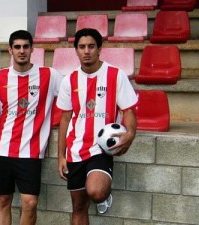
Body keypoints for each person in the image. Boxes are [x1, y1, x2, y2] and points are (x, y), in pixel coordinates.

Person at [0, 30, 62, 225]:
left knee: (30, 202)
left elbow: (69, 99)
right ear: (10, 50)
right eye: (17, 47)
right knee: (2, 200)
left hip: (31, 151)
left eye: (26, 46)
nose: (22, 51)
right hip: (2, 148)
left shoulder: (49, 75)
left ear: (32, 49)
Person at [57, 28, 138, 224]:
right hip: (76, 150)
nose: (87, 51)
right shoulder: (69, 80)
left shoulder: (115, 75)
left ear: (100, 49)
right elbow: (65, 119)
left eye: (91, 46)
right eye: (82, 47)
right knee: (78, 207)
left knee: (96, 192)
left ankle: (104, 195)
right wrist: (61, 155)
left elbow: (128, 110)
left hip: (101, 147)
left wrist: (131, 134)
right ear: (75, 50)